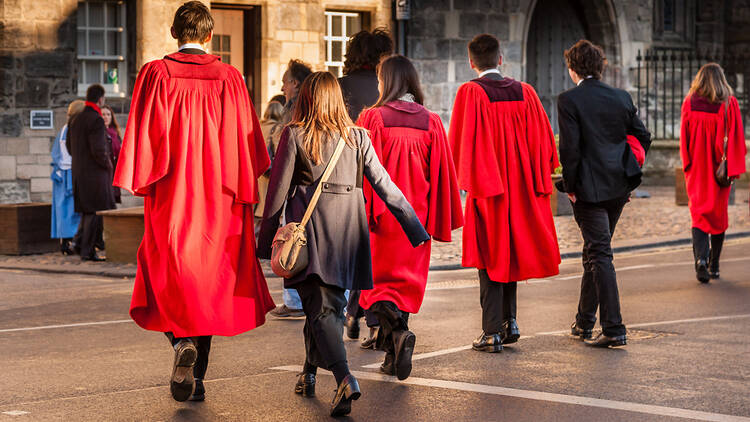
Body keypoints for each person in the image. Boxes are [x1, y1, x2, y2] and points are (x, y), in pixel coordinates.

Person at [113, 1, 274, 403]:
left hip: (172, 198)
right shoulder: (230, 77)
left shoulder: (155, 73)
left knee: (167, 277)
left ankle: (180, 343)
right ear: (208, 36)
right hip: (219, 201)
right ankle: (197, 376)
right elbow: (250, 146)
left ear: (174, 33)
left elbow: (143, 138)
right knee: (209, 285)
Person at [257, 71, 429, 417]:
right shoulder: (359, 137)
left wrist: (263, 247)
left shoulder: (295, 135)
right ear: (338, 100)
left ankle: (344, 378)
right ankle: (307, 373)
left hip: (311, 236)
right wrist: (416, 229)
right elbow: (386, 186)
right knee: (325, 309)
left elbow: (275, 196)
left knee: (321, 311)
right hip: (350, 236)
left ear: (306, 99)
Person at [449, 34, 561, 353]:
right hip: (521, 189)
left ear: (471, 63)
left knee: (490, 254)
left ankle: (491, 331)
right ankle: (510, 323)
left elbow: (459, 144)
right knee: (510, 251)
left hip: (490, 189)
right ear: (501, 59)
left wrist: (468, 183)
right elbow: (545, 144)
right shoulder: (525, 92)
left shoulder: (470, 92)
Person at [357, 55, 463, 380]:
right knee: (403, 286)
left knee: (375, 290)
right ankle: (393, 355)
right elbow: (443, 174)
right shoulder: (431, 121)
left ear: (387, 81)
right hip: (416, 219)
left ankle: (399, 339)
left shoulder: (373, 117)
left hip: (381, 218)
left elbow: (359, 170)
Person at [556, 39, 651, 348]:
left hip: (588, 190)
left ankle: (613, 326)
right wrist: (629, 167)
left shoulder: (569, 100)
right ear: (600, 66)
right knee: (594, 252)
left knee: (599, 254)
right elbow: (643, 137)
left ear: (573, 68)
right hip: (618, 188)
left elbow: (569, 151)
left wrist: (569, 187)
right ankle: (584, 321)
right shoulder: (621, 97)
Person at [338, 28, 394, 344]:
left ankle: (350, 311)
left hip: (346, 178)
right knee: (374, 252)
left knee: (351, 251)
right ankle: (366, 315)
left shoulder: (341, 87)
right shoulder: (388, 87)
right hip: (382, 178)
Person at [680, 63, 746, 282]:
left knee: (698, 216)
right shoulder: (729, 104)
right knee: (718, 217)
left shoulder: (689, 102)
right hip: (720, 171)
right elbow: (736, 139)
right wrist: (734, 168)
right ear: (721, 80)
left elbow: (684, 138)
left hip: (697, 169)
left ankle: (700, 260)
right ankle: (714, 265)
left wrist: (687, 164)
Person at [268, 59, 313, 319]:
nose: (282, 86)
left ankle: (294, 300)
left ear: (295, 83)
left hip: (295, 184)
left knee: (290, 239)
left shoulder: (294, 111)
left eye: (285, 81)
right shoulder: (298, 106)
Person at [67, 84, 116, 261]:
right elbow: (99, 150)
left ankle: (80, 245)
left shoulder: (76, 119)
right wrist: (108, 165)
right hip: (95, 175)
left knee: (88, 212)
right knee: (95, 212)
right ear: (101, 99)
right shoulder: (95, 119)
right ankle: (88, 251)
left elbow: (69, 147)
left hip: (79, 173)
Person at [50, 100, 85, 255]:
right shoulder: (74, 129)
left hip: (62, 173)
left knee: (63, 209)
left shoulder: (64, 130)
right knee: (71, 210)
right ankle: (70, 242)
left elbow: (56, 153)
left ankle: (66, 242)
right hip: (71, 172)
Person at [255, 95, 286, 234]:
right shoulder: (278, 128)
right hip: (270, 172)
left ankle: (257, 232)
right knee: (269, 204)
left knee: (259, 204)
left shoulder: (258, 125)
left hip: (258, 171)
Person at [101, 105, 122, 204]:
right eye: (103, 114)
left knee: (112, 199)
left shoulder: (115, 132)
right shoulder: (99, 132)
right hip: (105, 170)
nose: (106, 117)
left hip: (115, 170)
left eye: (108, 114)